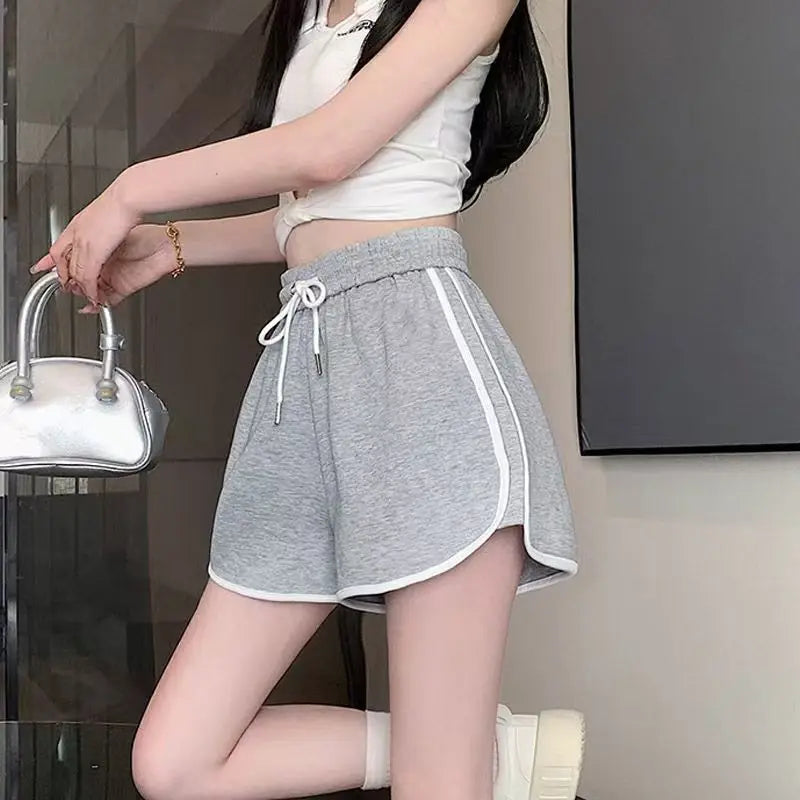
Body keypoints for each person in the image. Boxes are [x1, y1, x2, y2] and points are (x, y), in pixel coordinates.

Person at [32, 1, 583, 798]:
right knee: (176, 764)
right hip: (302, 374)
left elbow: (331, 149)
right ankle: (476, 748)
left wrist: (131, 190)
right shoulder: (309, 12)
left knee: (437, 783)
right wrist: (173, 245)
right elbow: (316, 209)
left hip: (416, 364)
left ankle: (454, 755)